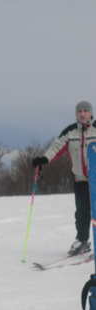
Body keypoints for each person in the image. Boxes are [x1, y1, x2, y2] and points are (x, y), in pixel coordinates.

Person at [32, 101, 96, 256]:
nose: (82, 114)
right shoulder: (70, 131)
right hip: (80, 180)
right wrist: (44, 159)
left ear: (91, 113)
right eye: (79, 111)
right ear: (76, 114)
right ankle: (82, 241)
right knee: (81, 213)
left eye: (85, 111)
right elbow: (57, 147)